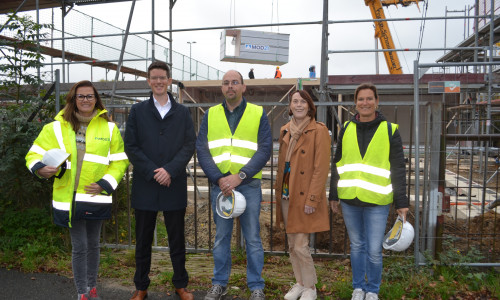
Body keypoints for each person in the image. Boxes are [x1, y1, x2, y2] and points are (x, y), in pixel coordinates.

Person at [25, 80, 129, 300]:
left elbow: (120, 161)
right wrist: (40, 168)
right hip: (68, 196)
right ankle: (82, 292)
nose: (85, 100)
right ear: (72, 99)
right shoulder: (55, 127)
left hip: (95, 195)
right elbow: (33, 154)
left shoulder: (108, 127)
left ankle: (92, 288)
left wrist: (106, 183)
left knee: (93, 245)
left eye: (89, 96)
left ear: (96, 100)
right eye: (80, 96)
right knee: (79, 246)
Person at [196, 70, 272, 300]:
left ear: (243, 87)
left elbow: (265, 148)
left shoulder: (258, 113)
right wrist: (220, 179)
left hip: (247, 185)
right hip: (221, 187)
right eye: (226, 83)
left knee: (253, 238)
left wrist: (240, 175)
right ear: (222, 88)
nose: (230, 86)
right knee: (221, 238)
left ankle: (256, 286)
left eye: (235, 82)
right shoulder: (210, 114)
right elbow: (202, 149)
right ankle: (220, 284)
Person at [329, 83, 409, 300]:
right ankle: (358, 287)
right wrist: (333, 195)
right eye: (361, 99)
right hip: (349, 200)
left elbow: (398, 168)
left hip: (377, 201)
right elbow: (338, 163)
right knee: (356, 246)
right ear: (355, 103)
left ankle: (372, 289)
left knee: (373, 250)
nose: (365, 103)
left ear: (377, 101)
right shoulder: (346, 128)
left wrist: (401, 202)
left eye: (369, 98)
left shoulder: (390, 130)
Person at [124, 61, 196, 300]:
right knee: (143, 240)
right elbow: (131, 147)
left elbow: (189, 145)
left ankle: (180, 284)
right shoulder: (137, 111)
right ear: (148, 81)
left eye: (162, 77)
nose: (158, 81)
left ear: (169, 80)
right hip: (146, 185)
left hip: (173, 184)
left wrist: (171, 170)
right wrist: (155, 171)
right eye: (153, 77)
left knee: (177, 240)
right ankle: (141, 286)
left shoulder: (183, 112)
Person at [274, 90, 331, 300]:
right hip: (286, 194)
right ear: (290, 105)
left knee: (301, 245)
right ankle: (299, 283)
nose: (298, 105)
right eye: (294, 101)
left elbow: (321, 168)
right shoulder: (285, 130)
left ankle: (311, 287)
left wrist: (313, 199)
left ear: (309, 106)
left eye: (302, 102)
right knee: (291, 244)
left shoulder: (319, 131)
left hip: (304, 196)